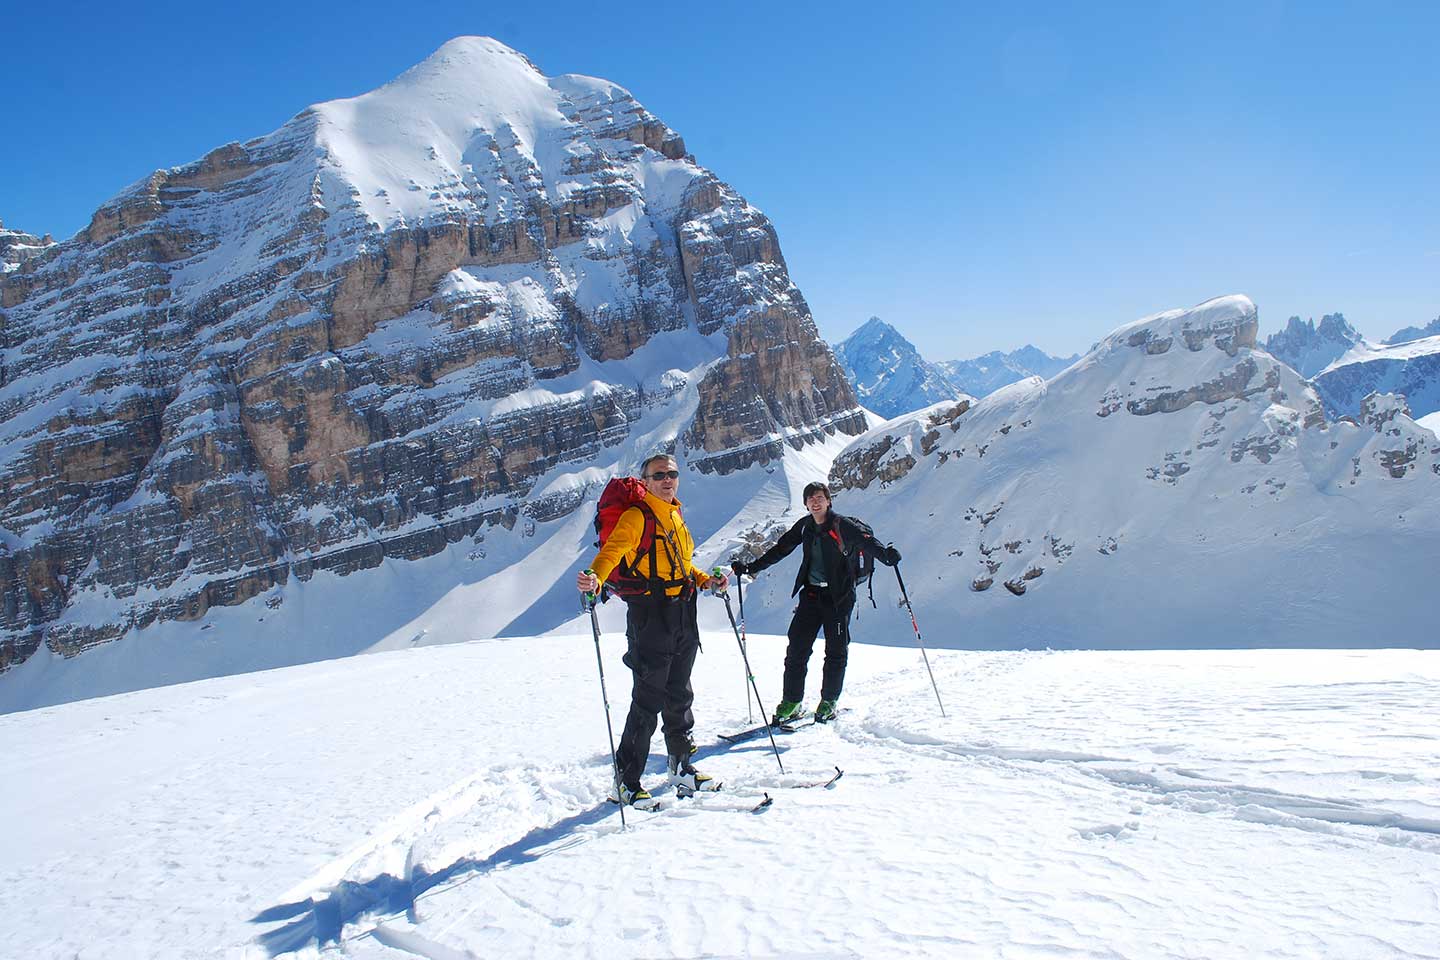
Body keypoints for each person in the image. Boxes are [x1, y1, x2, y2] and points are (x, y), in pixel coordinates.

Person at [576, 454, 728, 805]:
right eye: (658, 475)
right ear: (644, 482)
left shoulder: (674, 513)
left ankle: (681, 767)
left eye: (672, 474)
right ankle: (626, 781)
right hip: (650, 615)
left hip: (682, 613)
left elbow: (682, 564)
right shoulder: (636, 516)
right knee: (647, 700)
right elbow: (613, 551)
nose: (667, 480)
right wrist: (596, 576)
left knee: (678, 694)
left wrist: (705, 581)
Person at [731, 481, 899, 725]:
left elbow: (866, 543)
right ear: (806, 504)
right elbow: (781, 549)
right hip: (811, 596)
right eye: (810, 499)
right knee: (796, 650)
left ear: (828, 500)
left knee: (836, 651)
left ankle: (829, 701)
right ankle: (791, 701)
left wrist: (886, 556)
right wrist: (750, 568)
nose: (815, 502)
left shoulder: (843, 525)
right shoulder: (805, 527)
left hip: (838, 598)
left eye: (819, 497)